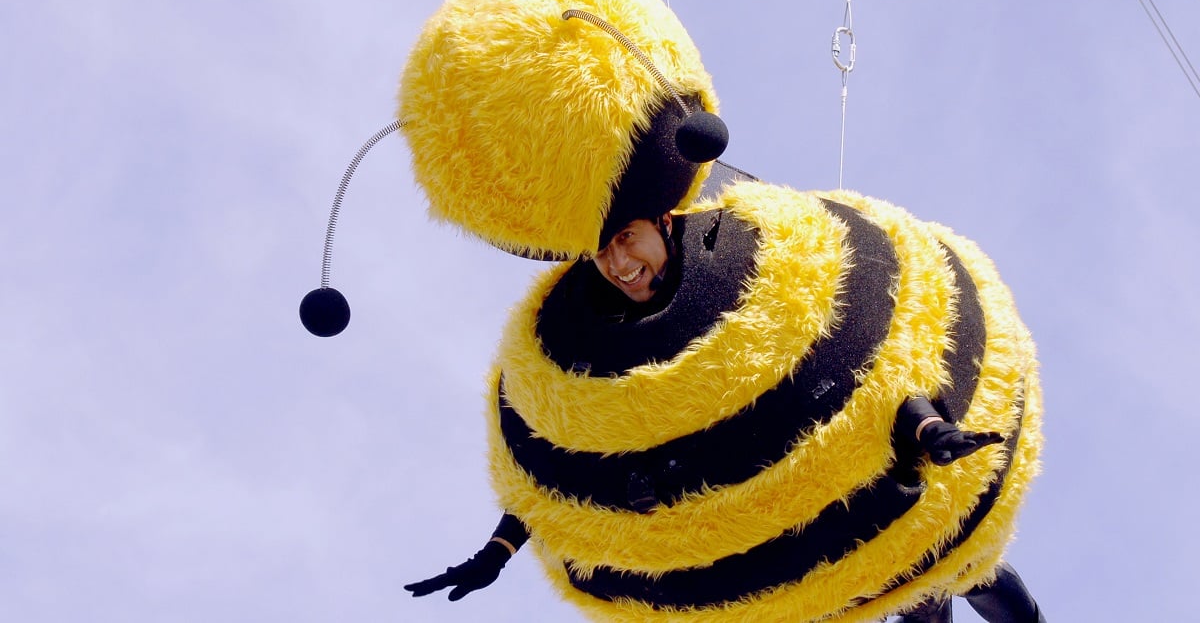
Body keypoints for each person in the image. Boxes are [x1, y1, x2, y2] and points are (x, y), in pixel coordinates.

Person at [405, 214, 1043, 622]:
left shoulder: (767, 278)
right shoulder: (589, 357)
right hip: (806, 536)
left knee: (956, 568)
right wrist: (499, 550)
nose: (619, 263)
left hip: (871, 491)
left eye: (626, 238)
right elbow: (564, 474)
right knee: (918, 596)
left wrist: (934, 430)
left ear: (660, 222)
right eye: (602, 253)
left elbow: (865, 363)